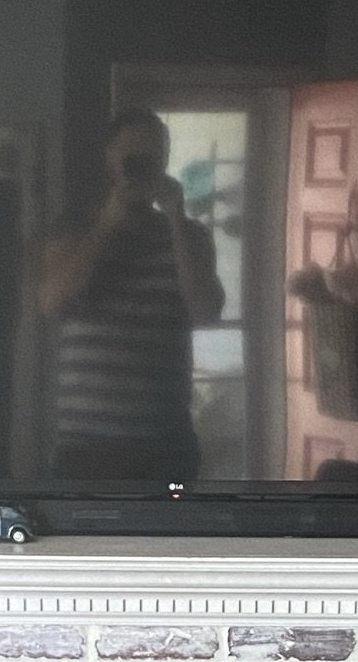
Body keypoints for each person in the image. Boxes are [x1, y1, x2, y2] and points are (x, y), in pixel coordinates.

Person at [40, 110, 223, 482]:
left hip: (166, 448)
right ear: (110, 160)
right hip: (84, 448)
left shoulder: (191, 236)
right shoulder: (75, 229)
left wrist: (175, 219)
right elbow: (51, 302)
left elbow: (205, 312)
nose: (140, 168)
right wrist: (106, 226)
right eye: (132, 158)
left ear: (164, 162)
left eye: (150, 158)